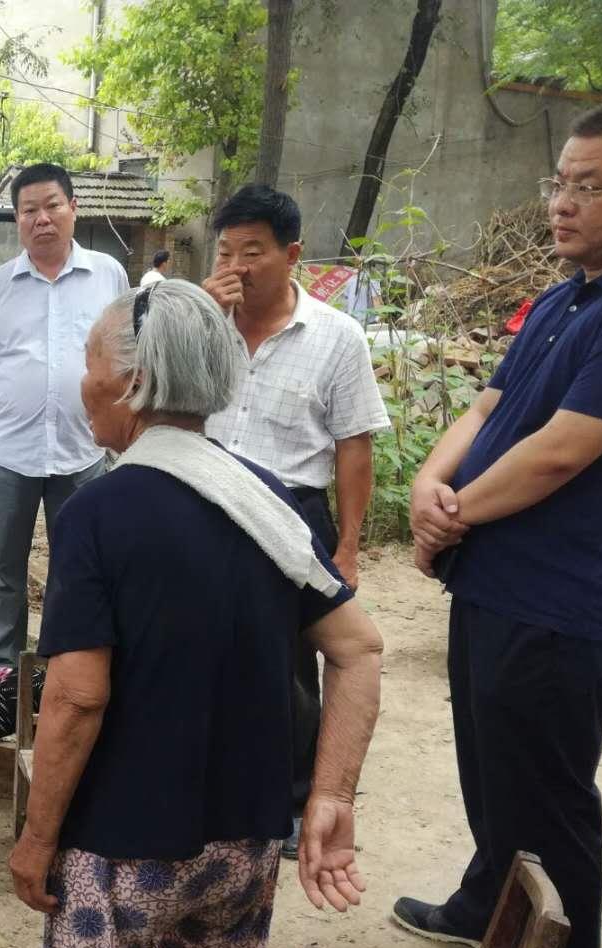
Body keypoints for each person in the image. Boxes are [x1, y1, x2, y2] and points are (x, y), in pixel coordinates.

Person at [9, 280, 384, 948]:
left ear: (133, 384)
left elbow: (77, 697)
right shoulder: (266, 503)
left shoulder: (97, 515)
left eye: (90, 364)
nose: (83, 383)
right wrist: (332, 795)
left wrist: (37, 839)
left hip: (118, 855)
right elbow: (359, 649)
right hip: (242, 849)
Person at [396, 99, 602, 948]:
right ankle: (485, 904)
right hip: (495, 583)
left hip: (561, 603)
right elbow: (489, 406)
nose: (562, 203)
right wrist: (429, 482)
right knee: (491, 768)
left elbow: (565, 451)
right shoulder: (565, 297)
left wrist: (454, 513)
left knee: (552, 803)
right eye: (559, 183)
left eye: (589, 187)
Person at [201, 184, 388, 858]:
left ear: (292, 255)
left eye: (253, 251)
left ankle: (291, 799)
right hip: (206, 504)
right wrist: (202, 317)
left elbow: (353, 448)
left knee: (289, 671)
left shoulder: (337, 338)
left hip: (293, 514)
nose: (237, 266)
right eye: (226, 251)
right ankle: (211, 784)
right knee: (203, 651)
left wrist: (348, 547)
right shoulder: (201, 325)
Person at [0, 162, 130, 667]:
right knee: (3, 567)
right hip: (8, 453)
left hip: (83, 451)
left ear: (73, 208)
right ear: (17, 219)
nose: (42, 218)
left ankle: (69, 662)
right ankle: (3, 668)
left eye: (52, 206)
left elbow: (124, 355)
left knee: (77, 565)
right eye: (29, 210)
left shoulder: (108, 275)